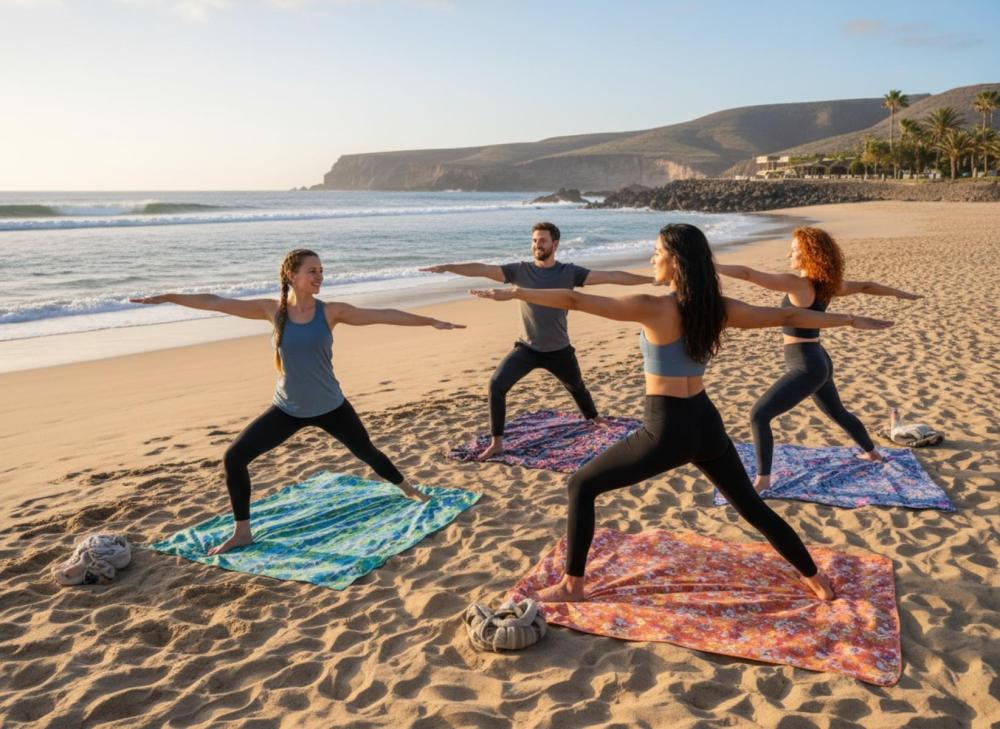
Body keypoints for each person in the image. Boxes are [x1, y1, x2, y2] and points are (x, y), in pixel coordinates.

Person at [470, 224, 893, 602]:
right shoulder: (717, 307)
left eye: (657, 253)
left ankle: (572, 585)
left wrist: (517, 292)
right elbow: (786, 314)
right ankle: (815, 579)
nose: (652, 259)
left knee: (582, 485)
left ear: (675, 261)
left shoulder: (653, 307)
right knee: (750, 506)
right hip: (706, 423)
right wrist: (852, 320)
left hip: (665, 429)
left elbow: (573, 300)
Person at [132, 248, 465, 555]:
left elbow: (382, 314)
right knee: (234, 457)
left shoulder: (331, 312)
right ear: (291, 275)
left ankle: (409, 490)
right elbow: (216, 301)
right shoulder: (271, 311)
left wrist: (430, 321)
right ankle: (243, 532)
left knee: (368, 452)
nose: (319, 276)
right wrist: (167, 297)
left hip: (331, 405)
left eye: (321, 271)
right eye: (312, 271)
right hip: (287, 409)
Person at [422, 221, 653, 458]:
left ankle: (594, 418)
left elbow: (612, 276)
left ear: (555, 244)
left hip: (559, 349)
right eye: (534, 240)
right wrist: (448, 267)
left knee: (576, 386)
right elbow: (482, 269)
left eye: (542, 240)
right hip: (527, 348)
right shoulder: (519, 271)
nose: (537, 245)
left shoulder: (569, 273)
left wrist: (651, 280)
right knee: (496, 385)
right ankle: (497, 442)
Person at [715, 226, 921, 492]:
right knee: (837, 411)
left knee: (759, 415)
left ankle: (763, 481)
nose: (789, 253)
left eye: (795, 250)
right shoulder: (827, 286)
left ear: (810, 255)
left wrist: (712, 265)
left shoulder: (798, 284)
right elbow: (866, 286)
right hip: (818, 358)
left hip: (806, 365)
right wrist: (899, 293)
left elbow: (748, 274)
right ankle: (871, 453)